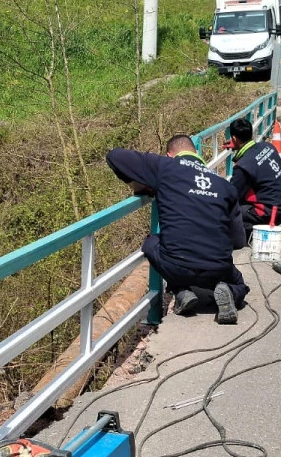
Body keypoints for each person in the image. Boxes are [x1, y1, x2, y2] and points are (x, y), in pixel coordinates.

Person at [106, 136, 249, 324]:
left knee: (152, 242)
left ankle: (182, 291)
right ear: (196, 154)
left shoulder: (165, 167)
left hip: (177, 266)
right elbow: (239, 240)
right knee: (239, 283)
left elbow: (115, 156)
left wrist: (140, 185)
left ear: (169, 155)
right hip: (217, 268)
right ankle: (229, 291)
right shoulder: (224, 185)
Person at [228, 117, 281, 238]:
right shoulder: (267, 146)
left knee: (229, 210)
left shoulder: (243, 167)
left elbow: (232, 196)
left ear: (234, 138)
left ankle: (250, 232)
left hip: (274, 211)